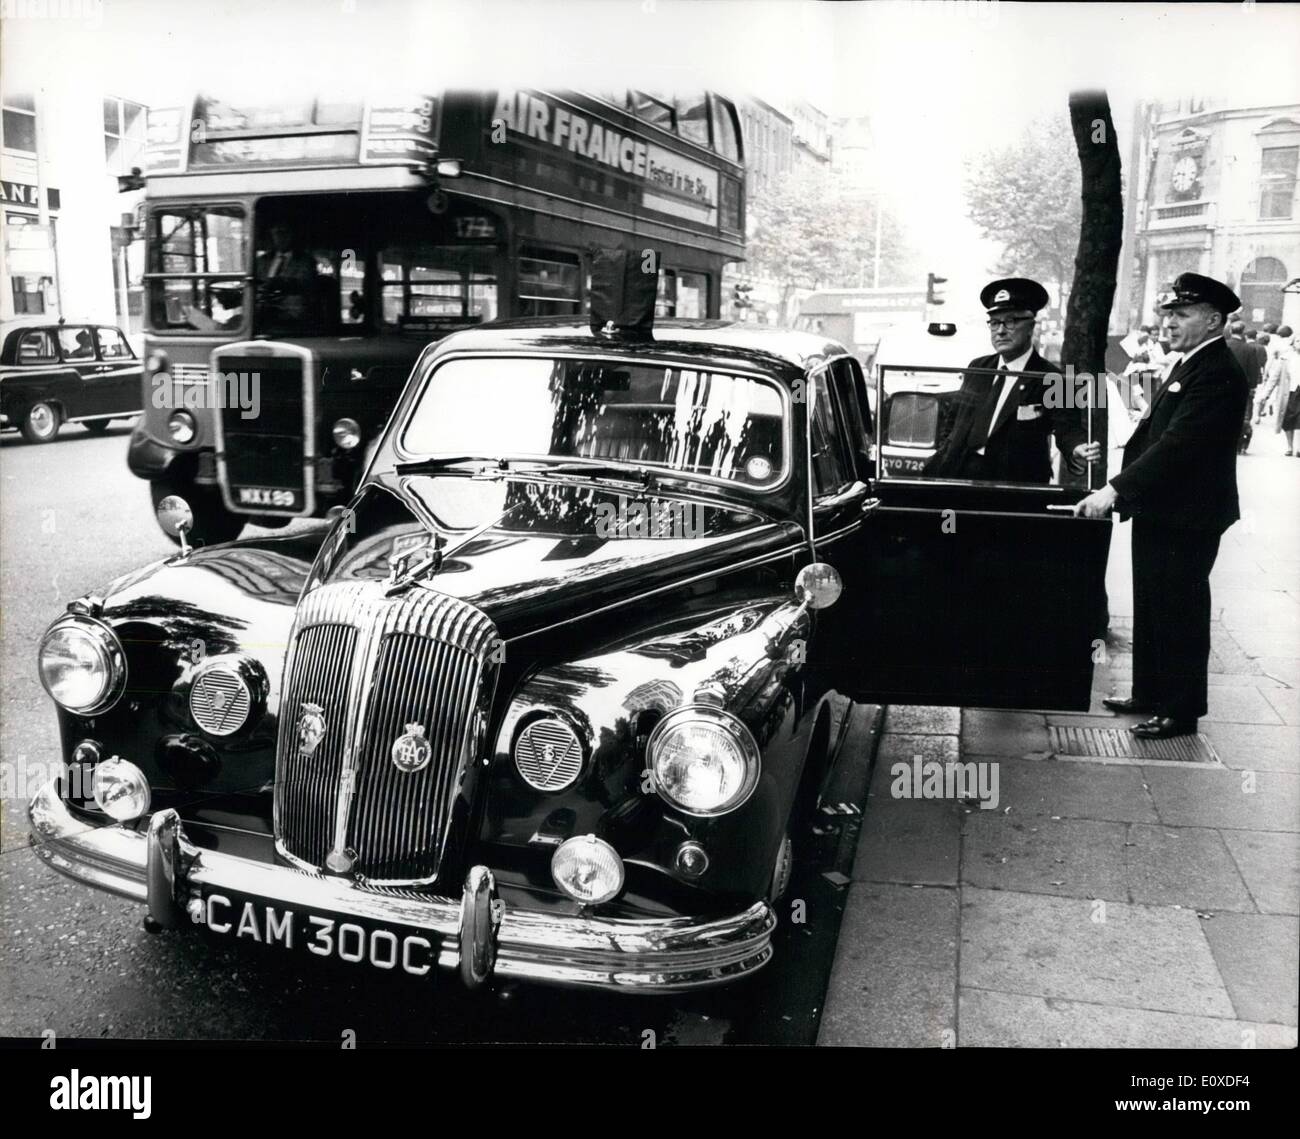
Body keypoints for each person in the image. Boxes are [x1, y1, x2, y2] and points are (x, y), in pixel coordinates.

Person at [1074, 273, 1249, 739]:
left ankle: (1180, 709)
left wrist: (1115, 488)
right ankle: (1150, 692)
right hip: (1163, 509)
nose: (1169, 323)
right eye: (1168, 314)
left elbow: (1178, 444)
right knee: (1152, 603)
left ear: (1213, 320)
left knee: (1179, 609)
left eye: (1182, 314)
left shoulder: (1215, 371)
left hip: (1187, 514)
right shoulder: (1190, 363)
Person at [924, 278, 1099, 482]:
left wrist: (1077, 449)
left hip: (1013, 487)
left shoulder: (1055, 378)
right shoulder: (978, 368)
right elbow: (955, 420)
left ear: (1031, 326)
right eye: (995, 322)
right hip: (960, 477)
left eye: (1011, 321)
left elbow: (1067, 428)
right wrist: (944, 453)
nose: (1000, 330)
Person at [1226, 320, 1261, 453]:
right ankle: (1239, 444)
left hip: (1222, 386)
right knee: (1241, 416)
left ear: (1231, 331)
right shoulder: (1249, 349)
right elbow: (1254, 370)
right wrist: (1252, 387)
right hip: (1242, 388)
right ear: (1243, 333)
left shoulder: (1224, 346)